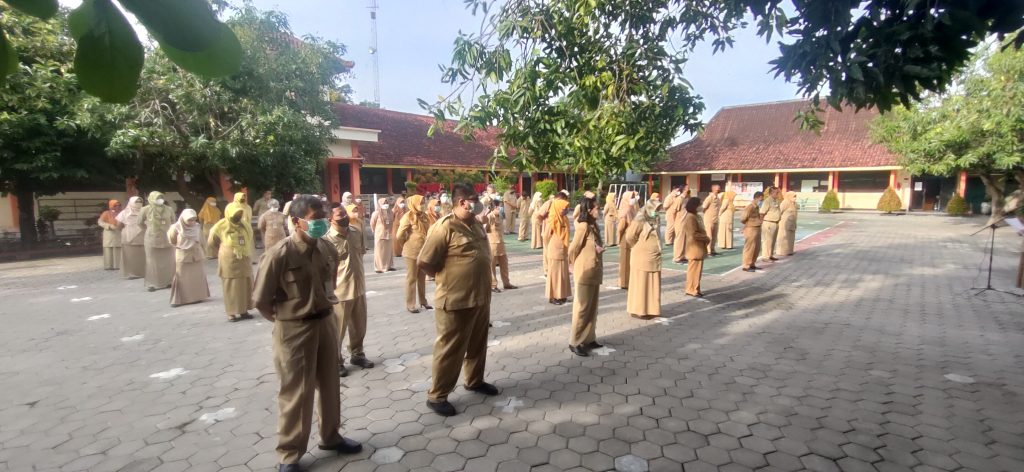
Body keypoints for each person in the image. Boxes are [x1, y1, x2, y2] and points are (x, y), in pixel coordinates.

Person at [252, 195, 362, 471]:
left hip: (325, 322)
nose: (320, 223)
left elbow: (331, 280)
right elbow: (261, 300)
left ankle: (331, 437)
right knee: (296, 393)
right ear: (296, 221)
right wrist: (287, 319)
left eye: (323, 218)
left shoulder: (326, 247)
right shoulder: (280, 254)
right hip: (294, 329)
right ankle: (289, 454)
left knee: (330, 385)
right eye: (314, 219)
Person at [417, 183, 499, 417]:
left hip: (480, 297)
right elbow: (424, 262)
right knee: (450, 349)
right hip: (455, 299)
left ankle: (474, 381)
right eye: (474, 199)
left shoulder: (476, 224)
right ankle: (437, 396)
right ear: (462, 202)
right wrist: (445, 278)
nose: (479, 202)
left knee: (477, 344)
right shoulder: (444, 227)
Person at [325, 203, 374, 377]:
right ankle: (336, 361)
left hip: (359, 287)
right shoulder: (327, 240)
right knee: (338, 330)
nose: (345, 217)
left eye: (344, 213)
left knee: (359, 327)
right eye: (340, 215)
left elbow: (360, 254)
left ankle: (357, 354)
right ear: (330, 219)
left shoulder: (356, 232)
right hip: (341, 291)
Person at [567, 192, 604, 356]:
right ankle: (575, 341)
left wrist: (597, 249)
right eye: (597, 208)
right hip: (584, 271)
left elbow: (591, 244)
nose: (599, 211)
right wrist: (571, 264)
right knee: (582, 308)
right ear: (589, 210)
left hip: (594, 270)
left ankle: (589, 338)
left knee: (592, 307)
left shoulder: (593, 225)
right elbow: (573, 248)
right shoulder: (583, 226)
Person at [209, 208, 255, 321]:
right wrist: (223, 249)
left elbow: (249, 238)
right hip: (228, 261)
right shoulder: (220, 226)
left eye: (239, 214)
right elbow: (212, 242)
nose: (237, 216)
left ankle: (244, 311)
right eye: (235, 214)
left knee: (244, 286)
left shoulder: (244, 225)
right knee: (231, 286)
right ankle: (231, 313)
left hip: (243, 259)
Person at [624, 198, 663, 319]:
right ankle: (639, 310)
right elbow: (630, 236)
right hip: (641, 257)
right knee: (641, 284)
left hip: (654, 257)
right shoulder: (640, 219)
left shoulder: (655, 219)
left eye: (658, 209)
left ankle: (651, 309)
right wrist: (637, 246)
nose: (656, 211)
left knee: (652, 284)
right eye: (655, 209)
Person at [167, 209, 210, 307]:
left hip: (196, 255)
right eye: (189, 220)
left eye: (194, 219)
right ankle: (180, 299)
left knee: (196, 277)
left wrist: (204, 252)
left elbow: (202, 240)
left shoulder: (197, 227)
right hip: (183, 256)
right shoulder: (176, 227)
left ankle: (197, 297)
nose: (192, 222)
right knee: (182, 278)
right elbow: (172, 240)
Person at [397, 195, 432, 313]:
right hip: (411, 251)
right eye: (420, 202)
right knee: (411, 278)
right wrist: (405, 244)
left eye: (424, 202)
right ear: (414, 203)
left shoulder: (425, 216)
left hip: (423, 250)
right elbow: (399, 235)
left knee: (422, 277)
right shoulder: (408, 216)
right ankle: (410, 304)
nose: (423, 204)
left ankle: (423, 301)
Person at [139, 191, 175, 291]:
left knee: (168, 261)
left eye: (161, 197)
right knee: (152, 262)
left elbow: (173, 221)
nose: (160, 200)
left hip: (166, 237)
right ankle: (152, 283)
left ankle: (168, 281)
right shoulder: (145, 209)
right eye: (157, 198)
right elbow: (139, 222)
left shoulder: (169, 209)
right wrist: (149, 230)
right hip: (152, 238)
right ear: (151, 198)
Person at [485, 200, 517, 292]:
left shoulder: (500, 216)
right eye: (499, 207)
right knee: (492, 266)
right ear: (494, 207)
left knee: (504, 264)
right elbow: (484, 229)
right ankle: (493, 285)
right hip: (492, 244)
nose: (501, 208)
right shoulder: (489, 217)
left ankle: (506, 283)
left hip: (501, 244)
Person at [546, 191, 572, 304]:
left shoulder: (563, 218)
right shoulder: (552, 220)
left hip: (563, 248)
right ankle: (553, 297)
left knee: (562, 273)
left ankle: (562, 295)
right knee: (555, 274)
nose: (566, 209)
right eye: (564, 207)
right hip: (555, 249)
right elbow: (546, 235)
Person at [682, 197, 711, 297]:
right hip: (694, 246)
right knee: (693, 270)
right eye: (699, 205)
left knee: (697, 270)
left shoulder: (696, 216)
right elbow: (693, 234)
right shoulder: (690, 217)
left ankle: (695, 288)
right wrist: (706, 238)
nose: (700, 206)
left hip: (699, 246)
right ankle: (691, 289)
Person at [116, 196, 146, 279]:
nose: (139, 203)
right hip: (129, 238)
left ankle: (143, 272)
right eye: (136, 202)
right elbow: (119, 225)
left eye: (140, 201)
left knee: (142, 256)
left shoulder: (145, 212)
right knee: (129, 256)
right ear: (131, 202)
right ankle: (130, 273)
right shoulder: (124, 213)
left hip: (143, 237)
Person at [617, 190, 639, 289]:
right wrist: (619, 238)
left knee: (630, 260)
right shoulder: (625, 210)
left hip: (632, 236)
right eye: (632, 197)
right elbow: (621, 227)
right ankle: (624, 282)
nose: (633, 199)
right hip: (625, 237)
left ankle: (629, 280)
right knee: (625, 260)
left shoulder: (631, 208)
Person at [369, 197, 395, 273]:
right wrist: (375, 231)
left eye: (386, 203)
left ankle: (388, 266)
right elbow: (372, 224)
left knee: (388, 251)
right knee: (380, 252)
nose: (386, 204)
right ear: (380, 204)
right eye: (384, 203)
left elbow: (392, 221)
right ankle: (380, 267)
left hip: (389, 234)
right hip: (380, 234)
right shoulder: (376, 213)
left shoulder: (390, 212)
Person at [741, 191, 765, 272]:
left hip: (757, 228)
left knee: (756, 248)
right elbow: (743, 218)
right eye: (761, 199)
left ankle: (752, 264)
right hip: (751, 228)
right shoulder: (750, 207)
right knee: (749, 248)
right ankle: (746, 265)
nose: (761, 201)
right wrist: (748, 224)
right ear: (757, 198)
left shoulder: (756, 207)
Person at [98, 200, 123, 270]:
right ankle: (108, 266)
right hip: (109, 233)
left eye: (119, 205)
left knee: (118, 249)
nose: (118, 207)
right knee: (108, 249)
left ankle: (118, 266)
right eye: (116, 205)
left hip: (119, 232)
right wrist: (108, 226)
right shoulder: (106, 213)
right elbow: (100, 222)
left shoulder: (122, 213)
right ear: (111, 206)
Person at [760, 186, 782, 263]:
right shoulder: (767, 201)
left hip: (775, 222)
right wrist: (761, 222)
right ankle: (765, 256)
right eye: (776, 193)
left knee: (773, 240)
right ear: (771, 193)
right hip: (768, 222)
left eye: (778, 192)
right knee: (767, 241)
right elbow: (762, 212)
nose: (778, 194)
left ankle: (770, 255)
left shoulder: (776, 201)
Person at [703, 184, 722, 256]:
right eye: (717, 189)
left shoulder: (718, 198)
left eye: (719, 188)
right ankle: (708, 251)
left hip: (715, 219)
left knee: (714, 236)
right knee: (709, 236)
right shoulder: (709, 198)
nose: (718, 190)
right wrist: (707, 215)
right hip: (709, 220)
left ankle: (712, 249)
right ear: (713, 189)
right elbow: (704, 207)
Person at [776, 191, 798, 256]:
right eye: (794, 197)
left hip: (792, 224)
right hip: (784, 224)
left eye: (795, 197)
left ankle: (789, 251)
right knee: (784, 238)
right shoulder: (785, 203)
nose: (795, 198)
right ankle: (782, 252)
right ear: (789, 196)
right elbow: (779, 212)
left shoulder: (794, 204)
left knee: (791, 239)